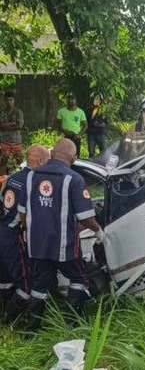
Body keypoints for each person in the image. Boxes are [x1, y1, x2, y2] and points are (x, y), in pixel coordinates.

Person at [5, 139, 104, 330]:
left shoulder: (31, 177)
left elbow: (22, 211)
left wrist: (28, 231)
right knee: (80, 280)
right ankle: (71, 322)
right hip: (64, 246)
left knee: (40, 286)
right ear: (73, 158)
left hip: (37, 245)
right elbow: (85, 217)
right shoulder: (73, 179)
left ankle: (31, 330)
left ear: (52, 153)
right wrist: (98, 230)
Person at [0, 144, 49, 312]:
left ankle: (4, 312)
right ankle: (14, 317)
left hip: (3, 230)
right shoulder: (34, 181)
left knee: (5, 279)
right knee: (26, 281)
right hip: (15, 235)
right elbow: (31, 213)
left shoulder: (12, 178)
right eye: (48, 161)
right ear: (41, 160)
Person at [0, 91, 24, 175]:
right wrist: (12, 123)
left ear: (14, 100)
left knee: (20, 163)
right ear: (4, 101)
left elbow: (20, 126)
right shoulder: (2, 112)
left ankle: (21, 180)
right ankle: (2, 183)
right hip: (4, 141)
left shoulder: (18, 112)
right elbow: (0, 125)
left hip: (16, 141)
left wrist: (5, 125)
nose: (9, 102)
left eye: (11, 100)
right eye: (7, 100)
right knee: (3, 162)